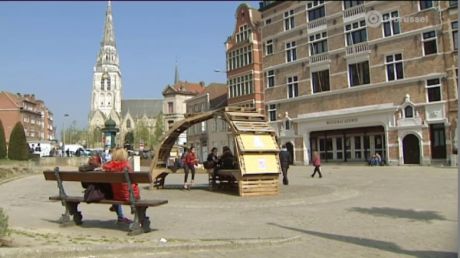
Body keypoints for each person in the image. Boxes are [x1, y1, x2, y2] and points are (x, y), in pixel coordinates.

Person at [103, 147, 140, 224]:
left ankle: (120, 216)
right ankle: (138, 218)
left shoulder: (109, 167)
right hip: (130, 196)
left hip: (117, 196)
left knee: (115, 192)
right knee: (134, 191)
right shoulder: (127, 166)